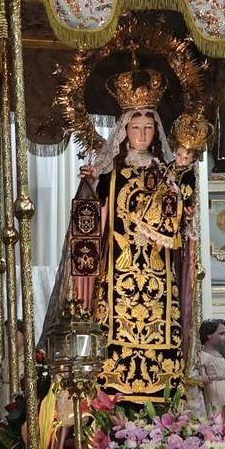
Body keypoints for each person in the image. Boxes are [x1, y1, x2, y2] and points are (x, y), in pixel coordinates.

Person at [71, 67, 198, 405]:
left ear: (156, 131)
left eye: (148, 128)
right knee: (114, 332)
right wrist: (91, 183)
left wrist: (183, 183)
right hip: (117, 275)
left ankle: (164, 388)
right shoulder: (111, 172)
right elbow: (94, 218)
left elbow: (183, 216)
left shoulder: (168, 172)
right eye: (135, 127)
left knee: (161, 330)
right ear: (124, 131)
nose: (141, 134)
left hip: (158, 276)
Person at [197, 319, 225, 415]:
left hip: (223, 391)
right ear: (209, 335)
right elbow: (201, 371)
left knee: (224, 415)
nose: (224, 337)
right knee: (215, 414)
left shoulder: (219, 355)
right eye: (221, 334)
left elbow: (223, 373)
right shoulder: (204, 355)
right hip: (213, 391)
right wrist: (203, 377)